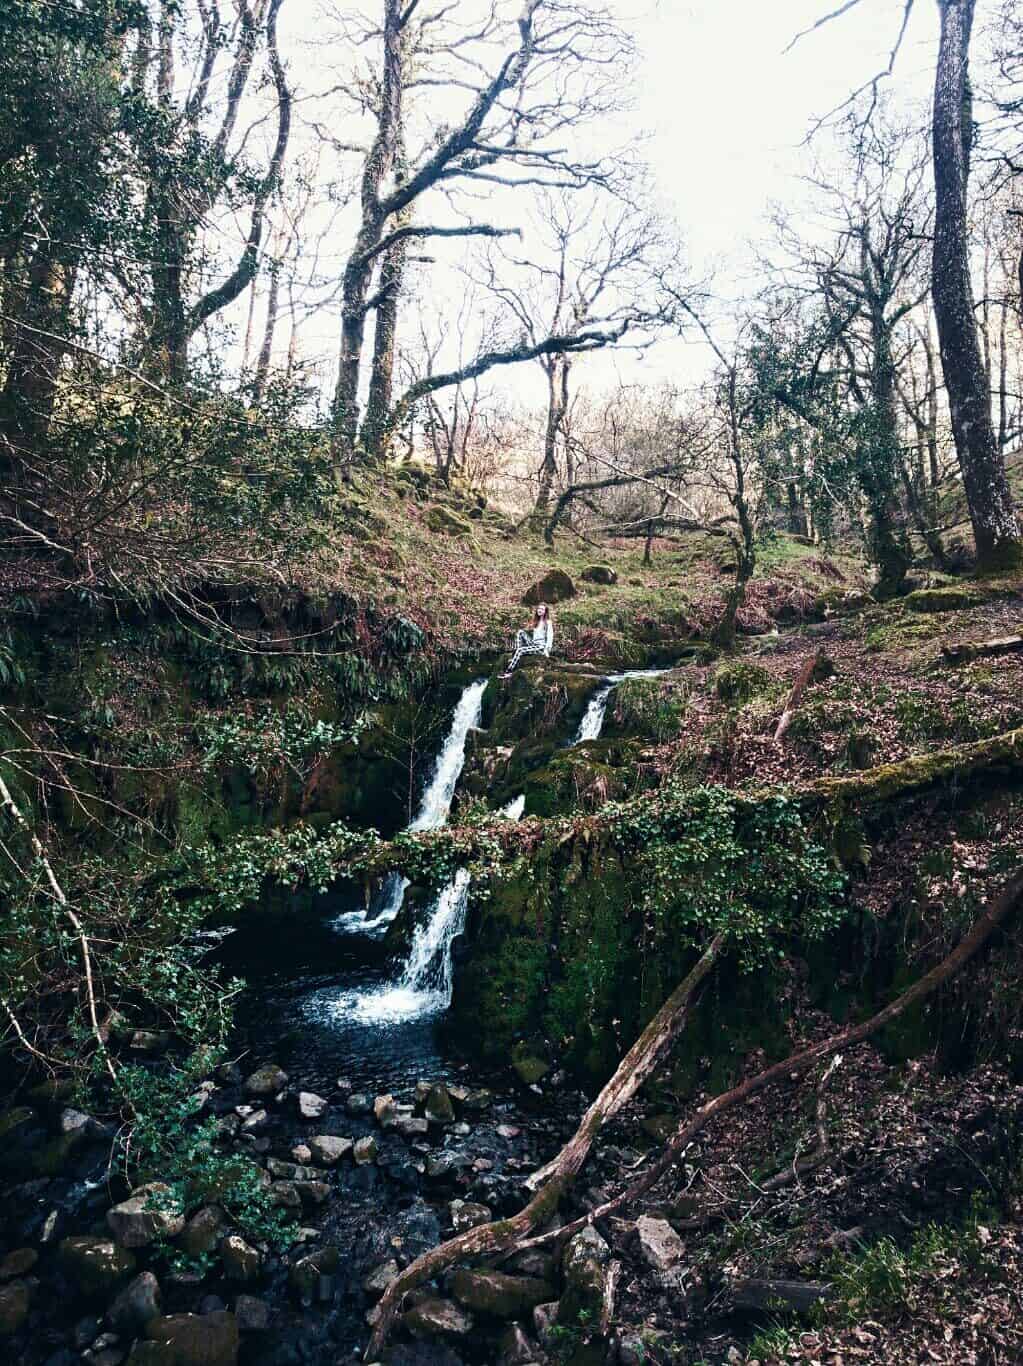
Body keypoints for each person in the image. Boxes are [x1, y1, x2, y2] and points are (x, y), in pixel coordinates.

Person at [501, 603, 554, 677]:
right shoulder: (537, 621)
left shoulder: (548, 622)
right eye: (539, 608)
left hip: (541, 647)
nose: (539, 610)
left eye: (542, 609)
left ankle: (509, 671)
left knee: (520, 650)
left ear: (545, 611)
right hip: (533, 644)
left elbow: (550, 636)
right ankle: (516, 654)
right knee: (520, 632)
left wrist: (547, 650)